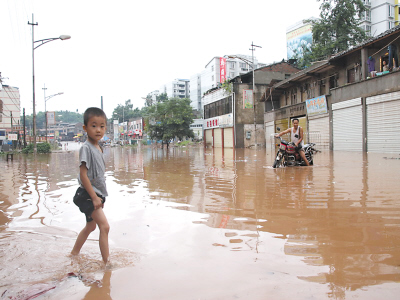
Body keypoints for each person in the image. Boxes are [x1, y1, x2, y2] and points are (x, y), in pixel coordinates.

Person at [71, 107, 110, 265]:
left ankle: (73, 254)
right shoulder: (86, 148)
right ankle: (107, 264)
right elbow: (83, 174)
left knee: (90, 227)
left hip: (96, 195)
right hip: (88, 195)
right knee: (104, 226)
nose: (98, 130)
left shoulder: (99, 147)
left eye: (102, 126)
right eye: (94, 126)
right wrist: (94, 198)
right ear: (85, 128)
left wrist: (98, 196)